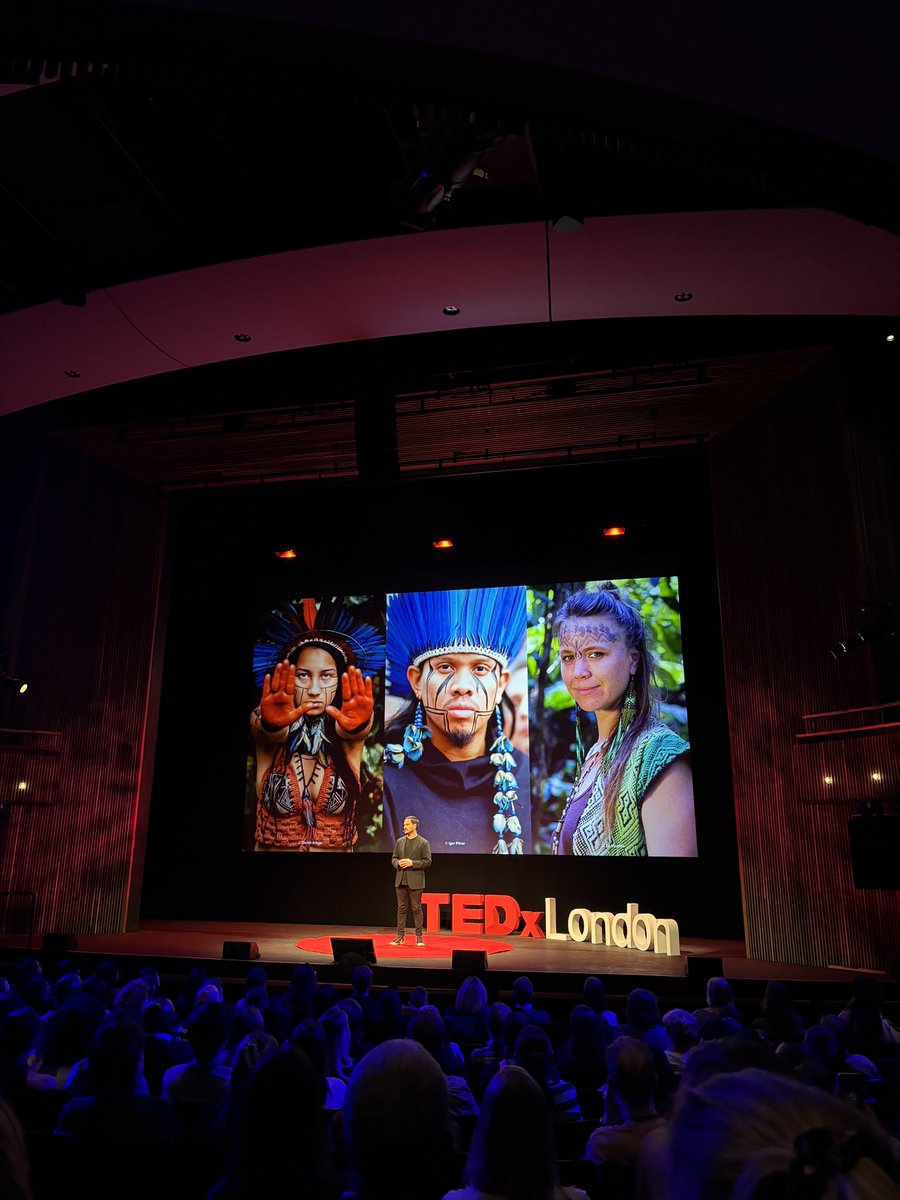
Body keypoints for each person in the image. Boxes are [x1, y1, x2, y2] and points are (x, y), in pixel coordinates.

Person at [549, 583, 695, 857]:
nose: (578, 671)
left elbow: (676, 890)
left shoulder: (659, 759)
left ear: (633, 661)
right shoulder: (595, 753)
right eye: (568, 657)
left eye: (596, 654)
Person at [383, 585, 531, 853]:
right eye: (445, 666)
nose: (462, 685)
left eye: (481, 668)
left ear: (500, 685)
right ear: (416, 680)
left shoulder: (528, 776)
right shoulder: (384, 781)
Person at [250, 596, 385, 850]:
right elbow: (265, 731)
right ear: (289, 675)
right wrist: (270, 724)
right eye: (303, 675)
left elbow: (355, 730)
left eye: (326, 675)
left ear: (340, 680)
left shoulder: (346, 737)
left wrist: (358, 725)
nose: (314, 689)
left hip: (335, 881)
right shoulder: (268, 725)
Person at [391, 815, 432, 946]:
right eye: (404, 824)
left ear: (414, 826)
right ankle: (400, 936)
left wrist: (411, 863)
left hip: (415, 881)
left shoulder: (423, 843)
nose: (404, 827)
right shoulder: (399, 842)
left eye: (407, 824)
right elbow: (394, 858)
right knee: (401, 909)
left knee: (416, 908)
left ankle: (419, 937)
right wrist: (398, 863)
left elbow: (427, 862)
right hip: (400, 879)